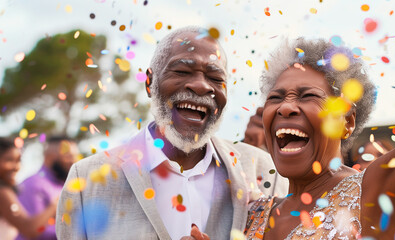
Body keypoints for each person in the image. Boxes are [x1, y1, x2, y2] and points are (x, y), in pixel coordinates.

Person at [244, 27, 395, 239]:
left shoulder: (376, 195)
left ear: (347, 121)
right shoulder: (250, 213)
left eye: (309, 96)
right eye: (275, 97)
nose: (285, 107)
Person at [55, 26, 288, 240]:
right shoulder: (85, 180)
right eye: (182, 71)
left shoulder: (265, 171)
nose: (201, 86)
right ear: (149, 83)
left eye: (216, 78)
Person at [16, 136, 78, 240]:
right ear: (50, 157)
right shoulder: (32, 184)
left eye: (75, 156)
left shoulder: (66, 184)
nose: (74, 161)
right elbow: (35, 231)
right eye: (68, 156)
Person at [0, 138, 58, 240]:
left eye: (18, 161)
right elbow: (29, 229)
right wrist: (54, 206)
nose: (16, 167)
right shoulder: (3, 193)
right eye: (9, 160)